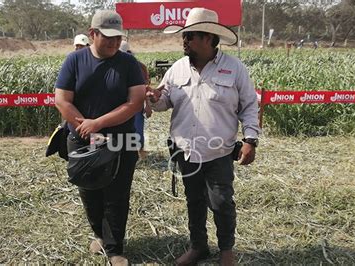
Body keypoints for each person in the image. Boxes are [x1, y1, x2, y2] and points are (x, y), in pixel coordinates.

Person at [147, 8, 261, 266]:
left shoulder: (235, 68)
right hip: (185, 150)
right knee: (194, 201)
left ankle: (226, 251)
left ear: (209, 38)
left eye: (191, 36)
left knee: (221, 203)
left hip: (219, 152)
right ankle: (198, 247)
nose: (184, 40)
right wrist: (155, 98)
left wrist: (251, 139)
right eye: (184, 36)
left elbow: (249, 106)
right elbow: (164, 101)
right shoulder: (177, 69)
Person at [54, 10, 146, 266]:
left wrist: (99, 124)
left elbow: (135, 101)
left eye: (118, 38)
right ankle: (99, 235)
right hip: (82, 140)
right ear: (93, 34)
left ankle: (116, 248)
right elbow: (62, 99)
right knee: (89, 191)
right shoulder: (74, 61)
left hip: (119, 141)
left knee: (117, 194)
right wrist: (86, 127)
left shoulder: (128, 64)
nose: (115, 43)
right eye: (108, 38)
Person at [119, 40, 152, 159]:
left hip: (134, 104)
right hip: (122, 105)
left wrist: (147, 105)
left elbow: (145, 87)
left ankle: (138, 151)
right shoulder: (114, 66)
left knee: (136, 128)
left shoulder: (140, 67)